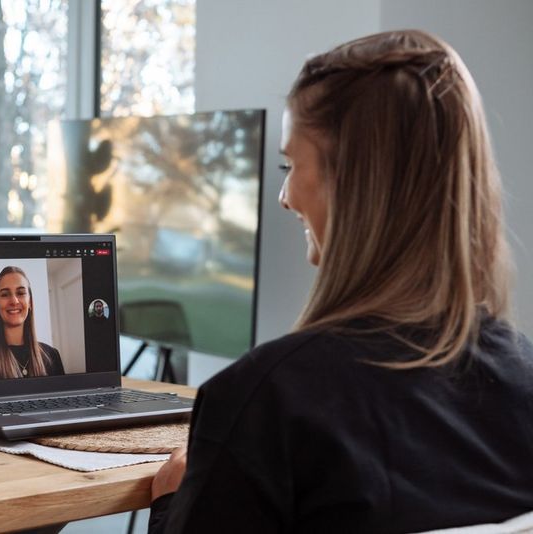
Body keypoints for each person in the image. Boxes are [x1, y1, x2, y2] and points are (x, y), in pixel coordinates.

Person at [148, 30, 533, 533]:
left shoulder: (267, 403)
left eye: (291, 165)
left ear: (351, 184)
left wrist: (169, 507)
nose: (284, 196)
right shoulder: (523, 380)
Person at [0, 266, 64, 381]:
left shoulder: (52, 356)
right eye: (5, 294)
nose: (14, 301)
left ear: (30, 303)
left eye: (20, 293)